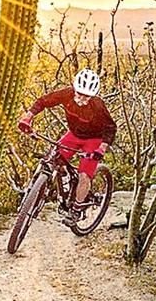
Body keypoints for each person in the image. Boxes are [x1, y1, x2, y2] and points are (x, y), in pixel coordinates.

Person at [17, 68, 116, 226]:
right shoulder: (67, 94)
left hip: (94, 140)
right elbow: (43, 101)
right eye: (79, 93)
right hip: (74, 135)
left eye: (86, 96)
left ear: (93, 95)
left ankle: (76, 209)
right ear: (75, 88)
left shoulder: (97, 105)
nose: (81, 98)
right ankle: (34, 191)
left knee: (84, 175)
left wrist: (101, 148)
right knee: (52, 158)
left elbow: (110, 128)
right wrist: (28, 117)